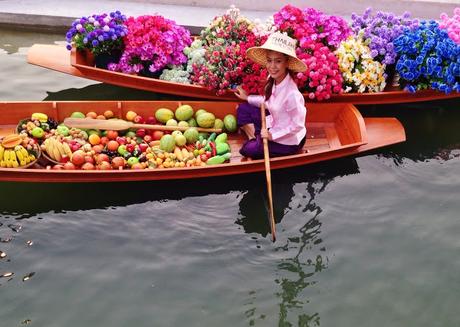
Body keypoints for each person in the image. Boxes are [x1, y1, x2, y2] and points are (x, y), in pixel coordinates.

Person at [234, 32, 307, 159]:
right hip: (273, 122)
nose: (272, 66)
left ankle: (258, 139)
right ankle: (257, 137)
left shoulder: (292, 95)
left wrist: (273, 136)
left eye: (278, 61)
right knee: (243, 109)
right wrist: (248, 98)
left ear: (287, 63)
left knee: (246, 149)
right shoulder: (273, 78)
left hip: (288, 140)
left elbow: (298, 125)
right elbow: (268, 103)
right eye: (269, 61)